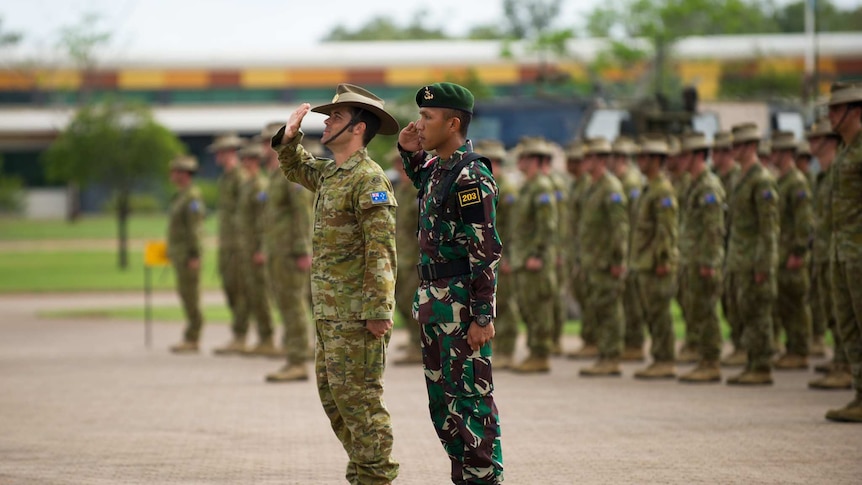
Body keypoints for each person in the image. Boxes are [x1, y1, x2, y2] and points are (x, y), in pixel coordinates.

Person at [273, 83, 401, 483]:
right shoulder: (333, 174)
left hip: (356, 316)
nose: (326, 122)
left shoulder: (369, 180)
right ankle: (363, 473)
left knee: (361, 404)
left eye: (338, 117)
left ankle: (376, 477)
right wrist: (289, 136)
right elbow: (294, 167)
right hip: (330, 314)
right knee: (335, 401)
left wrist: (379, 311)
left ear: (359, 129)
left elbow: (381, 250)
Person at [398, 82, 504, 484]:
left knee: (472, 406)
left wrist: (482, 316)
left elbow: (485, 251)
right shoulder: (437, 167)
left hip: (461, 311)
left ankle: (483, 479)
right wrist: (409, 152)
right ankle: (465, 477)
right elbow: (423, 186)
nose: (419, 124)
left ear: (453, 122)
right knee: (443, 408)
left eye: (428, 117)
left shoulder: (471, 175)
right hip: (434, 307)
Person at [725, 123, 779, 386]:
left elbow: (768, 228)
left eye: (737, 145)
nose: (733, 149)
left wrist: (763, 264)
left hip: (754, 260)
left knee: (758, 312)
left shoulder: (762, 180)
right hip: (740, 258)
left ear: (750, 147)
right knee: (744, 311)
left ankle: (762, 365)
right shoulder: (740, 178)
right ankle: (752, 361)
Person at [261, 121, 313, 382]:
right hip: (278, 251)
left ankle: (298, 361)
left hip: (292, 253)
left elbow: (302, 213)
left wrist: (303, 249)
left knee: (293, 304)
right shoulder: (272, 175)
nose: (263, 148)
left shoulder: (290, 176)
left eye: (266, 142)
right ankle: (294, 353)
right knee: (284, 303)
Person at [824, 81, 862, 422]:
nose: (830, 115)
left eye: (837, 109)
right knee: (848, 324)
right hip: (842, 253)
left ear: (856, 112)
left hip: (859, 253)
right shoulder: (846, 152)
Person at [806, 117, 852, 390]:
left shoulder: (839, 171)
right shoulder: (824, 175)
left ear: (829, 141)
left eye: (816, 139)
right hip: (826, 252)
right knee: (832, 310)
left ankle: (847, 367)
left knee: (843, 313)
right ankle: (840, 361)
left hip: (840, 251)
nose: (811, 144)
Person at [577, 137, 629, 377]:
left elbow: (619, 228)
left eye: (588, 157)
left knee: (609, 309)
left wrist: (619, 260)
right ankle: (603, 352)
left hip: (607, 262)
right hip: (594, 260)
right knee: (599, 307)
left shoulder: (611, 188)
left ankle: (611, 357)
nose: (583, 162)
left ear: (599, 160)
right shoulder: (593, 186)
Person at [677, 133, 726, 383]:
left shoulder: (708, 186)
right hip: (693, 260)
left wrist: (710, 261)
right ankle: (703, 357)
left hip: (703, 261)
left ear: (698, 156)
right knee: (698, 310)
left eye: (686, 154)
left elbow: (713, 228)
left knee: (707, 310)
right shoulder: (694, 184)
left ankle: (711, 361)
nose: (680, 159)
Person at [630, 137, 679, 379]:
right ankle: (659, 357)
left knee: (661, 313)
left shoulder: (662, 190)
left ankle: (666, 359)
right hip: (646, 262)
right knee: (652, 312)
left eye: (645, 157)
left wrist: (663, 260)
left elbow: (666, 230)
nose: (640, 161)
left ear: (657, 160)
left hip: (656, 263)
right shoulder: (650, 188)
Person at [510, 136, 558, 374]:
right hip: (524, 258)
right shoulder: (528, 186)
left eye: (526, 157)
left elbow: (547, 225)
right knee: (528, 306)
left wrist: (538, 254)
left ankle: (540, 354)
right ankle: (534, 352)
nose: (521, 161)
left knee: (539, 307)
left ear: (537, 160)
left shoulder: (541, 186)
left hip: (535, 261)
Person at [770, 131, 814, 371]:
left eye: (777, 151)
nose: (772, 155)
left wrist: (799, 252)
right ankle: (792, 349)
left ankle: (800, 350)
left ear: (787, 153)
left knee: (796, 304)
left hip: (792, 255)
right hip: (782, 254)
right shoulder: (782, 181)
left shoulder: (796, 182)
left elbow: (804, 221)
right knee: (785, 304)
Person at [476, 139, 520, 370]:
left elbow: (513, 228)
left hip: (504, 257)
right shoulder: (488, 183)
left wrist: (510, 257)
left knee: (505, 304)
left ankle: (507, 350)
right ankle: (498, 348)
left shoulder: (506, 188)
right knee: (493, 304)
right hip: (491, 257)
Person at [209, 133, 251, 356]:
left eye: (221, 152)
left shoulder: (240, 178)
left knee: (240, 289)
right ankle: (237, 333)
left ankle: (241, 335)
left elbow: (247, 213)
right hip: (227, 242)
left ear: (230, 152)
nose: (218, 156)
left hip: (239, 244)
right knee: (229, 288)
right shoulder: (225, 179)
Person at [236, 141, 278, 356]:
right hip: (247, 247)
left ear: (255, 161)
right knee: (252, 294)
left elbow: (263, 220)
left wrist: (262, 247)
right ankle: (263, 337)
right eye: (242, 159)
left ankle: (268, 337)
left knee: (261, 294)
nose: (244, 162)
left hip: (257, 249)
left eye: (248, 159)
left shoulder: (260, 186)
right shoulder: (247, 185)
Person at [712, 131, 747, 367]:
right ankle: (738, 343)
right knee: (729, 301)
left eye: (721, 150)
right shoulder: (722, 179)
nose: (715, 155)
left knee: (744, 302)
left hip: (741, 250)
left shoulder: (738, 178)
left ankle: (745, 348)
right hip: (727, 249)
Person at [611, 136, 646, 361]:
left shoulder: (631, 183)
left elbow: (632, 222)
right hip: (631, 250)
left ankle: (635, 344)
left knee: (632, 300)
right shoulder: (621, 181)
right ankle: (629, 342)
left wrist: (626, 254)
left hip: (633, 249)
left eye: (613, 157)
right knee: (626, 299)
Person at [167, 155, 206, 354]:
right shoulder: (181, 195)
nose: (171, 175)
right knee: (186, 295)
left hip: (188, 256)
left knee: (191, 296)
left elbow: (195, 229)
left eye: (175, 171)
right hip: (181, 255)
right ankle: (191, 335)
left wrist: (194, 255)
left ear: (184, 174)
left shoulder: (192, 197)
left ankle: (193, 336)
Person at [565, 141, 597, 360]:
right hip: (577, 249)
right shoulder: (577, 185)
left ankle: (593, 340)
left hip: (588, 250)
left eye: (575, 161)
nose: (570, 165)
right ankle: (589, 338)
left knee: (591, 296)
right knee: (582, 293)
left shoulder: (587, 185)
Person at [392, 149, 423, 366]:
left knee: (411, 301)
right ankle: (414, 340)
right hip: (399, 255)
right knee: (401, 301)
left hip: (414, 257)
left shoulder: (417, 191)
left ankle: (419, 343)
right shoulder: (401, 190)